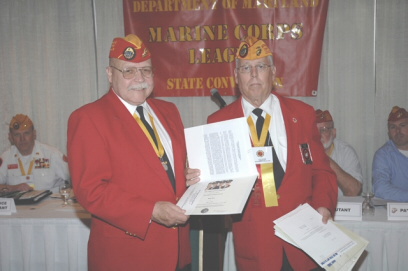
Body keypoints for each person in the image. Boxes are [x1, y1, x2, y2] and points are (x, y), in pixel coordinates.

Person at [186, 36, 338, 271]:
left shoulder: (303, 114)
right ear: (236, 77)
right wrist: (198, 180)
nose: (254, 74)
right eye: (246, 68)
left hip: (305, 242)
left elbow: (322, 170)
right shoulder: (218, 122)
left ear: (273, 72)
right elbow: (216, 186)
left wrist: (324, 204)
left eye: (261, 67)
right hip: (256, 246)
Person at [67, 34, 191, 271]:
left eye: (146, 70)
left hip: (176, 249)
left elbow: (169, 170)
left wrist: (189, 174)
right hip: (127, 255)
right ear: (110, 74)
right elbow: (90, 190)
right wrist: (151, 211)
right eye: (129, 71)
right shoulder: (88, 118)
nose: (140, 78)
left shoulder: (169, 111)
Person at [0, 114, 69, 193]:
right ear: (11, 137)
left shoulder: (51, 154)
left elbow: (75, 178)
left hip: (50, 203)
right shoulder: (6, 158)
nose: (22, 139)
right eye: (17, 135)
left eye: (26, 133)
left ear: (34, 134)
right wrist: (14, 188)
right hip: (19, 204)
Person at [315, 109, 363, 196]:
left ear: (333, 133)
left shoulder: (346, 152)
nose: (318, 135)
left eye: (323, 130)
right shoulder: (303, 152)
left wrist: (322, 157)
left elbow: (354, 191)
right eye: (314, 130)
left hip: (341, 208)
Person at [373, 106, 408, 202]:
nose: (398, 131)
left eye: (402, 125)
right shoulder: (383, 155)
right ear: (388, 132)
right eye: (393, 127)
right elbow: (380, 189)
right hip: (395, 213)